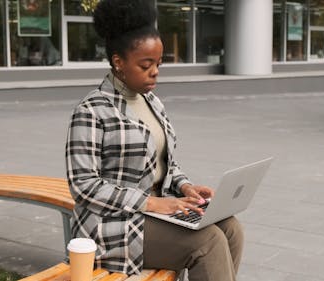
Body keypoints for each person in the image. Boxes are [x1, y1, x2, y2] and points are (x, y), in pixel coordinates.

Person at [65, 1, 244, 280]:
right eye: (145, 65)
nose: (155, 72)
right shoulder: (91, 111)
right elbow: (83, 186)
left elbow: (164, 162)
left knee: (231, 228)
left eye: (158, 64)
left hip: (157, 213)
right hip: (112, 225)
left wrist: (184, 186)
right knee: (208, 242)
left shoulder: (153, 103)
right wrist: (150, 203)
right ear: (118, 62)